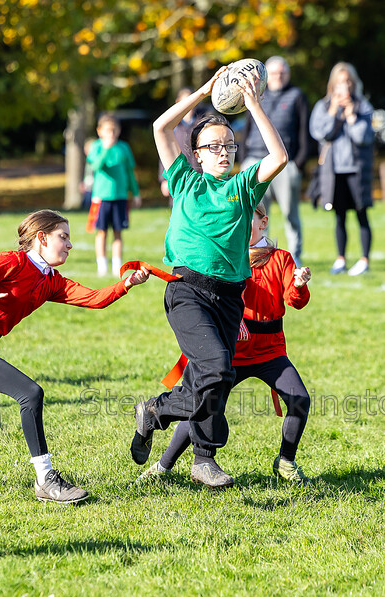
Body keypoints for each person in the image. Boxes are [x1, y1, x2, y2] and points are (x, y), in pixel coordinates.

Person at [0, 210, 150, 503]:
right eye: (63, 237)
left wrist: (127, 283)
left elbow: (93, 298)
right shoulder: (13, 261)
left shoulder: (51, 280)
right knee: (31, 393)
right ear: (41, 238)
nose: (70, 244)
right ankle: (46, 479)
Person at [128, 66, 288, 489]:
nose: (222, 152)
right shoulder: (183, 181)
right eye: (212, 146)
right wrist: (204, 91)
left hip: (230, 297)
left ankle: (168, 426)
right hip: (187, 292)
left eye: (229, 146)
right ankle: (195, 446)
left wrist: (252, 101)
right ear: (196, 154)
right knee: (217, 370)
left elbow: (280, 157)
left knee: (208, 377)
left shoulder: (243, 188)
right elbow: (162, 126)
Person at [137, 201, 313, 486]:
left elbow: (294, 301)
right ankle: (163, 466)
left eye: (248, 221)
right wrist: (234, 321)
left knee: (300, 399)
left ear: (263, 223)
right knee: (203, 406)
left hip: (270, 351)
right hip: (230, 352)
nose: (241, 227)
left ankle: (286, 461)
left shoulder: (281, 258)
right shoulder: (226, 257)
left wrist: (300, 285)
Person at [239, 56, 310, 267]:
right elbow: (248, 128)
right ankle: (260, 256)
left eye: (282, 72)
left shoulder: (297, 96)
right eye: (274, 73)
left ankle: (295, 254)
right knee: (257, 213)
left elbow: (304, 131)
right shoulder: (258, 95)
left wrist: (299, 163)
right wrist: (244, 159)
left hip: (285, 164)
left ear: (287, 74)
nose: (278, 76)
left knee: (290, 212)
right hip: (255, 161)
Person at [309, 62, 374, 277]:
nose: (343, 87)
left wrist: (352, 116)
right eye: (339, 82)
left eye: (347, 82)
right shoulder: (323, 106)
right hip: (333, 171)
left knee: (361, 214)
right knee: (339, 216)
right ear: (332, 84)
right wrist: (333, 111)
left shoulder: (362, 106)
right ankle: (341, 258)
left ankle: (364, 259)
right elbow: (320, 133)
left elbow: (363, 137)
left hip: (356, 169)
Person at [85, 113, 141, 278]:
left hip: (120, 196)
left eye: (114, 130)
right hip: (101, 197)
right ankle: (101, 264)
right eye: (107, 130)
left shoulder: (123, 147)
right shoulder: (96, 147)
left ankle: (117, 264)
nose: (111, 133)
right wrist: (106, 149)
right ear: (99, 131)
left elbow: (130, 172)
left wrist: (135, 192)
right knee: (101, 232)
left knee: (118, 232)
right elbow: (96, 166)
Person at [158, 87, 209, 207]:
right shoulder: (173, 126)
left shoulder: (202, 123)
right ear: (178, 102)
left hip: (199, 176)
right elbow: (164, 152)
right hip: (179, 176)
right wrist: (164, 179)